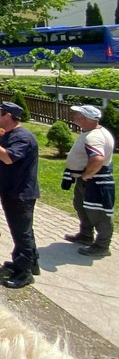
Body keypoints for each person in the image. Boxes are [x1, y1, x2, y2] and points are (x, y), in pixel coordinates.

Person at [0, 101, 40, 289]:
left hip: (20, 193)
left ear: (8, 116)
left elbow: (8, 158)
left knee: (22, 233)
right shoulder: (11, 134)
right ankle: (30, 262)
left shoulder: (22, 137)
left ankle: (24, 273)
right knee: (23, 231)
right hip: (12, 191)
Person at [63, 104, 114, 258]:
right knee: (81, 207)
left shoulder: (94, 136)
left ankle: (102, 245)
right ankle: (85, 235)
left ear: (84, 118)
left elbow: (97, 159)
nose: (74, 116)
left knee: (98, 213)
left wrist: (86, 175)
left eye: (77, 114)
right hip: (87, 180)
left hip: (95, 181)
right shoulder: (92, 132)